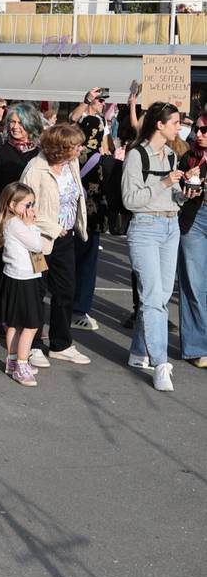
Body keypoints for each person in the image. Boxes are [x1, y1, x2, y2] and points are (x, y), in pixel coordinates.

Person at [122, 102, 199, 392]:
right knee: (154, 296)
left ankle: (139, 351)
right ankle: (160, 363)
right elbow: (131, 200)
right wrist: (164, 182)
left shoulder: (170, 155)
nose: (180, 127)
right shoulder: (136, 155)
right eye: (176, 122)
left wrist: (186, 193)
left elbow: (172, 196)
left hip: (170, 227)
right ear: (160, 124)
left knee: (161, 296)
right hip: (145, 228)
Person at [21, 123, 90, 368]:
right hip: (39, 240)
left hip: (66, 238)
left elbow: (75, 197)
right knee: (37, 292)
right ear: (61, 148)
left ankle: (61, 344)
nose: (81, 149)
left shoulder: (72, 164)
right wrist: (53, 228)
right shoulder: (35, 169)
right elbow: (24, 206)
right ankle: (34, 345)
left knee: (65, 290)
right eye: (76, 146)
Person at [0, 102, 43, 322]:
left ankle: (27, 318)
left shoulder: (40, 153)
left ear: (30, 123)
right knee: (3, 270)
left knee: (33, 268)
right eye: (11, 122)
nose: (14, 127)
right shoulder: (4, 150)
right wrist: (1, 216)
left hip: (32, 220)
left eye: (19, 122)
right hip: (6, 220)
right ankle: (2, 318)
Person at [0, 182, 44, 387]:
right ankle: (21, 365)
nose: (31, 209)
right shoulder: (17, 224)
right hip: (23, 279)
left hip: (15, 277)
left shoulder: (11, 222)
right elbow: (37, 246)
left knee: (14, 323)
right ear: (12, 205)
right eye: (27, 205)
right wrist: (32, 225)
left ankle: (13, 361)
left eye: (32, 204)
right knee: (30, 325)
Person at [71, 113, 110, 332]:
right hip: (91, 218)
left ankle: (68, 302)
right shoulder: (98, 158)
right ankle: (79, 309)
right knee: (87, 264)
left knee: (70, 262)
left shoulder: (72, 154)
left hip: (71, 215)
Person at [178, 112, 207, 368]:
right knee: (194, 285)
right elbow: (176, 188)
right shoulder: (188, 155)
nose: (198, 134)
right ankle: (197, 347)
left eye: (204, 130)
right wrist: (186, 180)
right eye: (197, 129)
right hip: (194, 218)